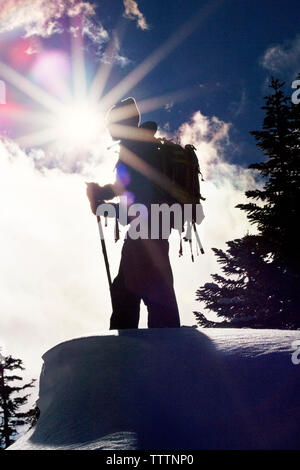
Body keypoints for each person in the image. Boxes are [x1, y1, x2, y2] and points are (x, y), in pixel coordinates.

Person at [87, 97, 180, 330]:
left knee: (128, 293)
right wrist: (103, 194)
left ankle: (127, 352)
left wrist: (103, 206)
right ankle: (172, 348)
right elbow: (126, 187)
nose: (108, 129)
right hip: (158, 227)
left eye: (112, 123)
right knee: (156, 291)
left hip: (144, 231)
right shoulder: (144, 147)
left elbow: (137, 204)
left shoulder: (135, 149)